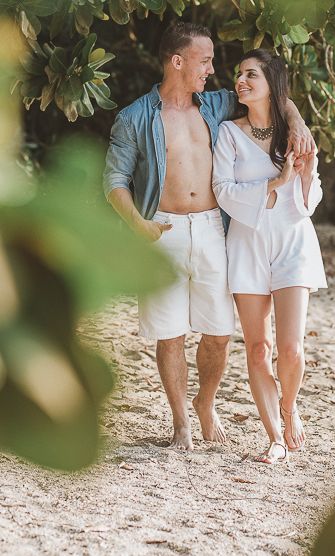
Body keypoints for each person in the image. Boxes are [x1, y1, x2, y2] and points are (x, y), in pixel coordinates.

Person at [102, 24, 314, 450]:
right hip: (162, 229)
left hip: (214, 229)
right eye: (204, 60)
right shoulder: (135, 117)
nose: (212, 69)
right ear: (177, 61)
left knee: (218, 333)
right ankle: (181, 423)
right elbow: (114, 179)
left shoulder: (216, 104)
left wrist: (297, 120)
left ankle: (206, 401)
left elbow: (273, 96)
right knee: (170, 332)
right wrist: (136, 224)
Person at [211, 49, 326, 464]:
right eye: (239, 74)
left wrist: (307, 171)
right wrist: (277, 181)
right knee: (259, 349)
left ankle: (289, 405)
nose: (241, 81)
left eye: (251, 75)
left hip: (293, 241)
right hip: (247, 243)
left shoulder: (295, 134)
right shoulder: (229, 132)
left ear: (271, 84)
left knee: (291, 350)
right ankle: (275, 437)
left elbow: (309, 201)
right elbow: (222, 190)